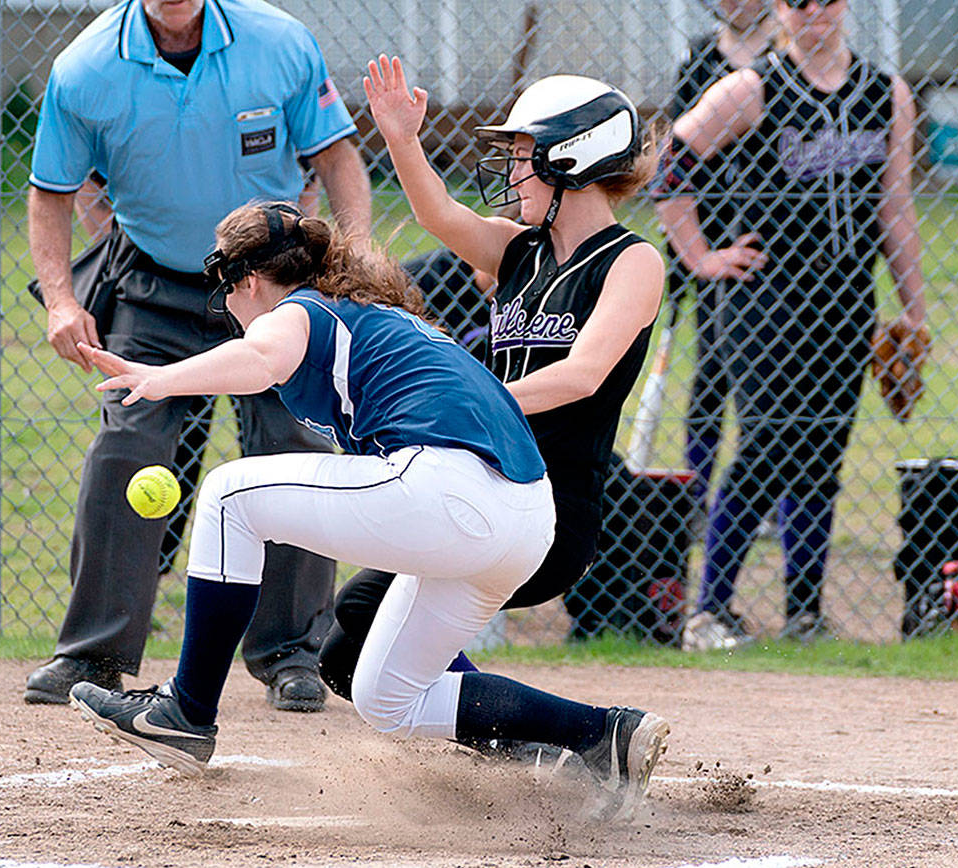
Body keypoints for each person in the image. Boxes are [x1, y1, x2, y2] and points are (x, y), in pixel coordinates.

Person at [67, 199, 669, 819]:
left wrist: (160, 377)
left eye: (229, 286)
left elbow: (263, 357)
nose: (230, 304)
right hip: (523, 518)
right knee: (390, 698)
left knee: (227, 496)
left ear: (248, 280)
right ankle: (604, 734)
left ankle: (186, 712)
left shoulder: (299, 308)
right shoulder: (374, 313)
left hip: (449, 488)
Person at [24, 0, 372, 708]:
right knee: (129, 447)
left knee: (293, 444)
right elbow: (49, 193)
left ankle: (290, 655)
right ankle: (94, 654)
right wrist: (62, 300)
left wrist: (354, 261)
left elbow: (338, 157)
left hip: (272, 286)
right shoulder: (84, 69)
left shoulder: (279, 43)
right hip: (154, 283)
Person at [320, 61, 669, 692]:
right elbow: (436, 214)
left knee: (364, 612)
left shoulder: (632, 262)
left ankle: (563, 739)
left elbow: (583, 375)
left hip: (552, 508)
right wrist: (401, 136)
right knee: (346, 655)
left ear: (574, 159)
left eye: (524, 155)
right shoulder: (517, 252)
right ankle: (515, 756)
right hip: (485, 492)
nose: (511, 172)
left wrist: (471, 402)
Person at [656, 0, 925, 645]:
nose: (813, 13)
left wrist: (915, 306)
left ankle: (804, 613)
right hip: (763, 302)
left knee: (822, 452)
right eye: (796, 1)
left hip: (846, 302)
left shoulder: (885, 93)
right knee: (767, 446)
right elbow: (670, 162)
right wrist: (700, 256)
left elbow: (895, 205)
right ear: (780, 10)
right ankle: (708, 611)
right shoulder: (753, 87)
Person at [657, 0, 777, 500]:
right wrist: (692, 247)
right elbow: (678, 150)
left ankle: (766, 490)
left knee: (769, 385)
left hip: (768, 232)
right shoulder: (701, 58)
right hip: (708, 231)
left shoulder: (784, 58)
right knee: (712, 369)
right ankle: (697, 489)